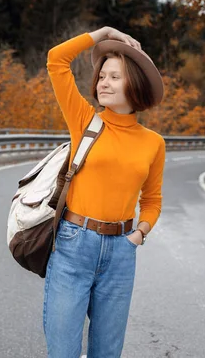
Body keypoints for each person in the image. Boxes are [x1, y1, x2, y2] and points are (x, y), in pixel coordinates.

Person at [43, 26, 166, 358]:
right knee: (64, 352)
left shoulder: (153, 143)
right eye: (102, 76)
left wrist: (140, 233)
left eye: (115, 76)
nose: (104, 83)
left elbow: (152, 199)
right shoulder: (85, 120)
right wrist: (104, 33)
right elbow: (56, 60)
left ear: (135, 85)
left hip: (121, 253)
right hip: (73, 244)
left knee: (107, 353)